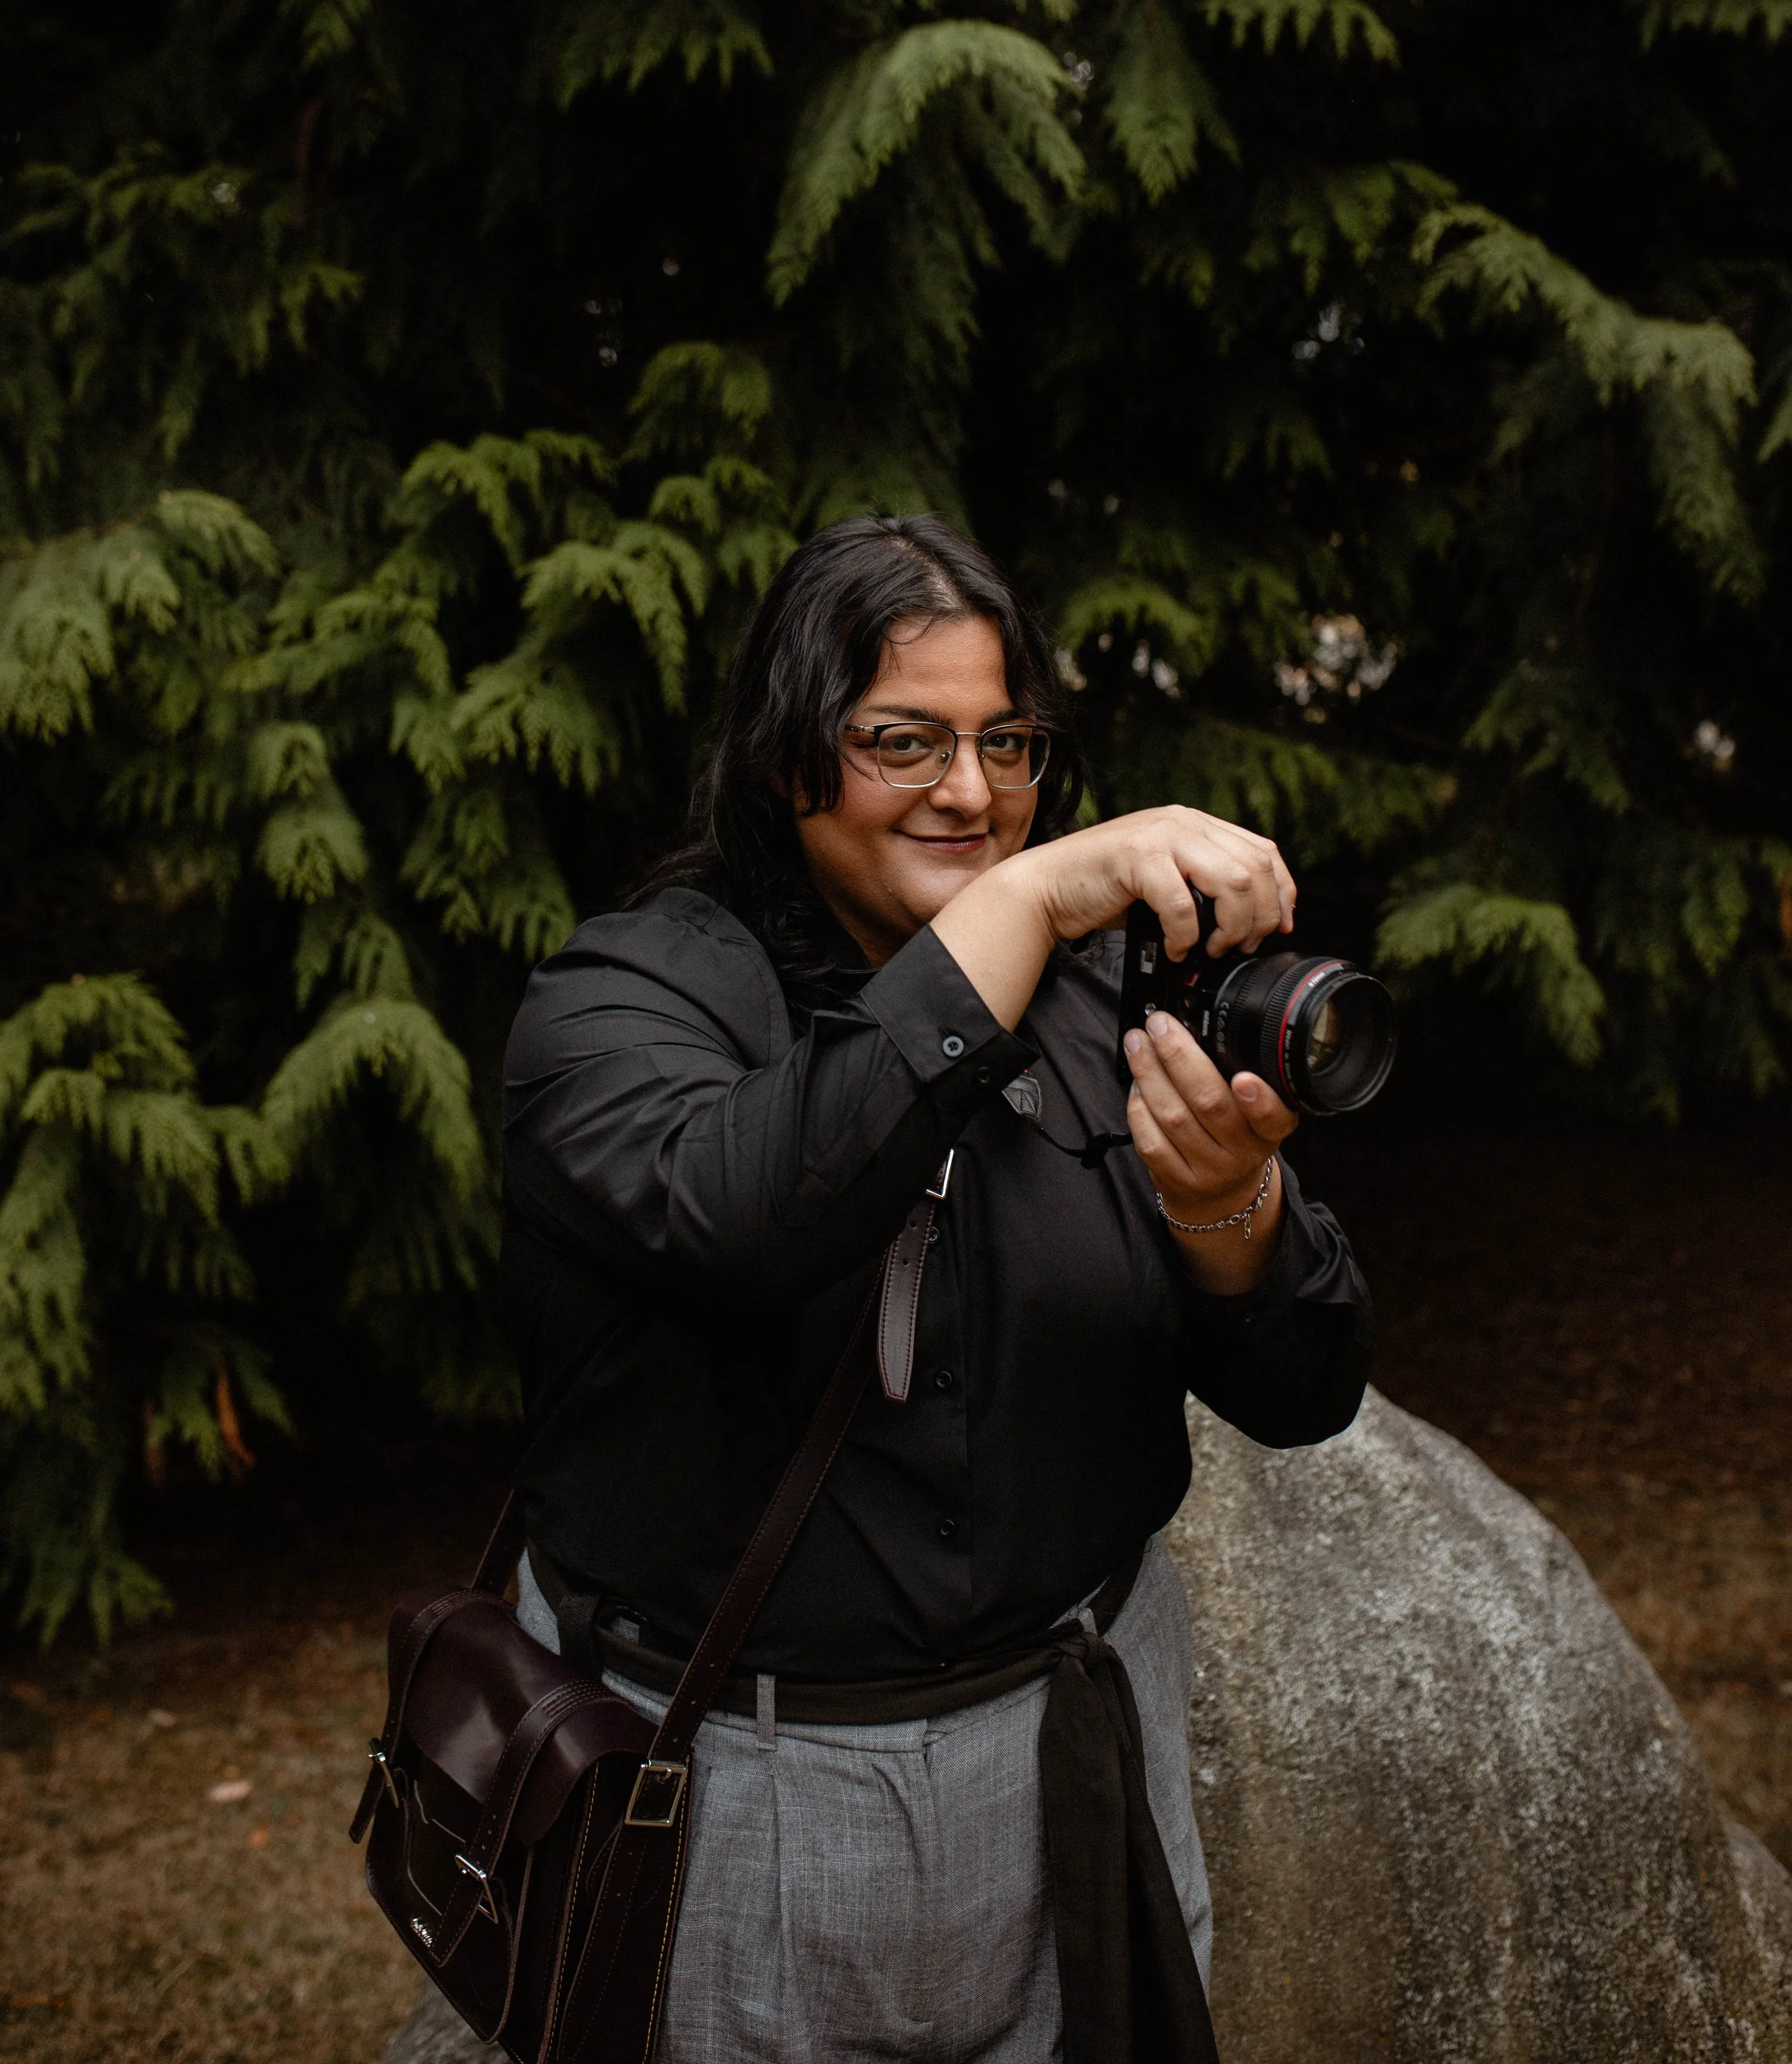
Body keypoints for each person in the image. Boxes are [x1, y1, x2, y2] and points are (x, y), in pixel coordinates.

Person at [501, 514, 1373, 2063]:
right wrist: (1028, 905)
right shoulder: (618, 1001)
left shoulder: (1110, 998)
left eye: (1007, 744)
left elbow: (1305, 1394)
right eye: (903, 741)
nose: (971, 795)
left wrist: (1224, 1207)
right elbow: (749, 1210)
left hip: (1076, 1737)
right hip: (737, 1784)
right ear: (790, 760)